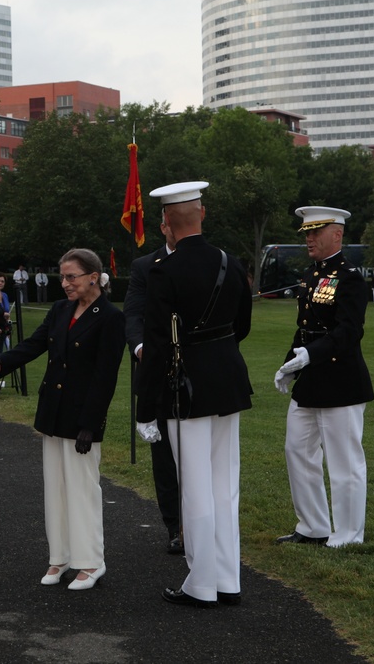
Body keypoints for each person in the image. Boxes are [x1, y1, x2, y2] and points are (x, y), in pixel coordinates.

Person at [136, 181, 253, 608]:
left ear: (166, 222)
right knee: (225, 486)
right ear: (202, 213)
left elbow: (157, 344)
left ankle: (202, 584)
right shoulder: (230, 262)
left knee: (196, 488)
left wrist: (144, 409)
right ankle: (227, 579)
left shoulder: (163, 271)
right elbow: (243, 326)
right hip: (228, 381)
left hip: (184, 388)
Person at [0, 249, 125, 590]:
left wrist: (90, 424)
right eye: (63, 276)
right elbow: (34, 345)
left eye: (72, 277)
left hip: (82, 417)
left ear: (93, 276)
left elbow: (105, 376)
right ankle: (61, 557)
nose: (65, 283)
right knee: (55, 488)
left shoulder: (110, 317)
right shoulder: (60, 309)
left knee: (83, 490)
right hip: (53, 412)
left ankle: (91, 562)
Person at [274, 206, 374, 550]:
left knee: (345, 462)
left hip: (341, 381)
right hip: (311, 381)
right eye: (306, 233)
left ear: (338, 234)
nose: (309, 239)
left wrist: (310, 356)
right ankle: (314, 525)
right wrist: (290, 363)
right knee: (297, 451)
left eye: (316, 232)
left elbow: (348, 332)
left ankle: (348, 535)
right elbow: (306, 328)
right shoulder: (312, 276)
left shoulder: (350, 278)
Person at [125, 216, 182, 555]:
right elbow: (133, 315)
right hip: (157, 374)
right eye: (169, 223)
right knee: (164, 456)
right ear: (163, 228)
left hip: (197, 373)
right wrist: (140, 347)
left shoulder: (211, 260)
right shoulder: (145, 266)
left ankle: (202, 523)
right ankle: (175, 526)